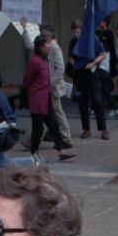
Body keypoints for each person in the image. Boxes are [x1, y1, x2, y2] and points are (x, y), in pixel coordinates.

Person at [22, 35, 75, 166]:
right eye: (47, 46)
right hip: (37, 99)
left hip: (46, 97)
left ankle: (61, 151)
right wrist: (34, 90)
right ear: (40, 47)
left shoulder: (44, 60)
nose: (48, 48)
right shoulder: (35, 61)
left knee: (54, 125)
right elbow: (27, 80)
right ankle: (34, 153)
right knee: (38, 128)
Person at [67, 18, 109, 141]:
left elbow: (102, 54)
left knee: (97, 100)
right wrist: (74, 63)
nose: (76, 34)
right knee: (82, 102)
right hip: (80, 73)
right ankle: (86, 129)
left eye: (78, 32)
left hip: (92, 72)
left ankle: (103, 129)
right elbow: (70, 57)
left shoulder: (93, 39)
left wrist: (93, 63)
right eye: (74, 32)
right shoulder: (73, 41)